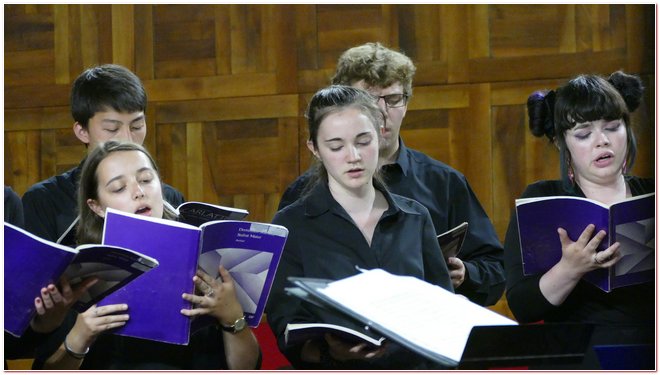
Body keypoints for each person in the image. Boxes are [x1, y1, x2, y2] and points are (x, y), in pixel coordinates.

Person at [278, 42, 504, 306]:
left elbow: (496, 273)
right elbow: (284, 297)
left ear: (406, 103)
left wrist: (465, 275)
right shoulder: (302, 194)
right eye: (368, 99)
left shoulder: (443, 182)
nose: (382, 112)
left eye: (393, 99)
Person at [266, 85, 453, 369]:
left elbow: (443, 314)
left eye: (363, 141)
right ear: (314, 149)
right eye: (336, 146)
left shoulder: (415, 217)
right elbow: (288, 331)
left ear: (380, 136)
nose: (353, 156)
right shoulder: (291, 225)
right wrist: (334, 354)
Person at [32, 141, 261, 370]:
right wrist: (79, 337)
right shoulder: (79, 270)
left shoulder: (202, 255)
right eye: (119, 188)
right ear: (96, 206)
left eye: (145, 180)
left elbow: (248, 368)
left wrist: (233, 317)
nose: (139, 193)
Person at [503, 71, 653, 368]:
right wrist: (570, 268)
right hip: (575, 353)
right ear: (562, 144)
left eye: (612, 127)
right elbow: (523, 306)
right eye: (584, 134)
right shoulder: (543, 199)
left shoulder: (652, 194)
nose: (602, 141)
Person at [21, 64, 184, 246]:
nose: (127, 138)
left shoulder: (170, 198)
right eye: (112, 129)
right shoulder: (44, 201)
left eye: (136, 126)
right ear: (82, 131)